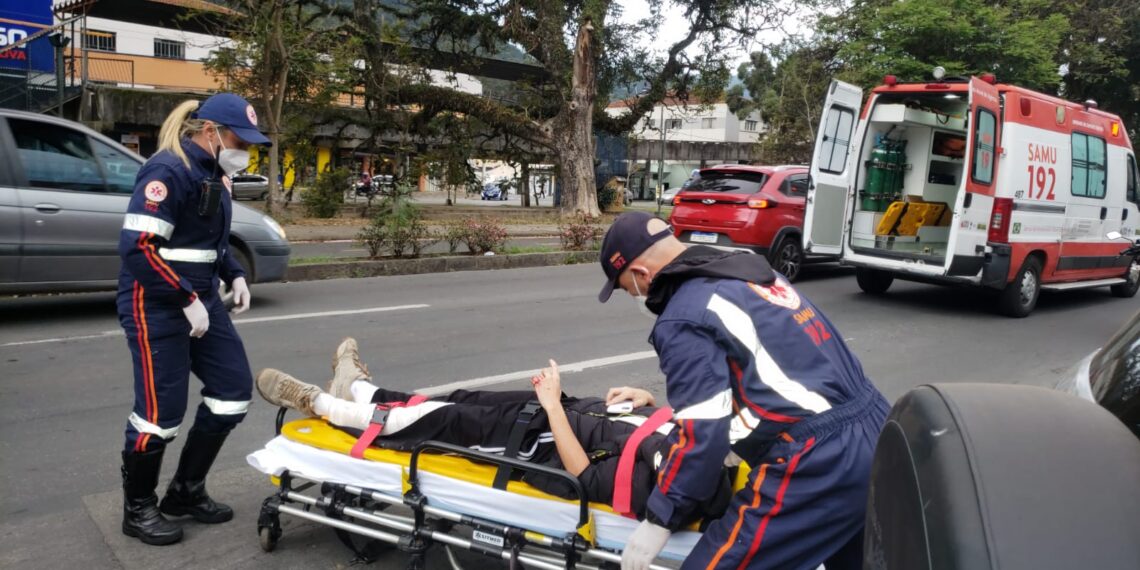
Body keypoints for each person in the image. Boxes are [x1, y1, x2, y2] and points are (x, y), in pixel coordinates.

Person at [595, 212, 890, 570]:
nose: (636, 297)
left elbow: (701, 434)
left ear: (642, 275)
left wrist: (659, 519)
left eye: (629, 289)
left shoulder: (684, 316)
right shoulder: (751, 274)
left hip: (818, 461)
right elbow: (768, 374)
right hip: (876, 430)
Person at [255, 338, 734, 522]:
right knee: (448, 401)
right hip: (552, 411)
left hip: (528, 443)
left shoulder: (653, 487)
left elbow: (584, 479)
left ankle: (313, 400)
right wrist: (645, 399)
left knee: (422, 424)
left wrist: (551, 404)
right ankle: (359, 388)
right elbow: (660, 424)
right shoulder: (691, 445)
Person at [117, 93, 271, 546]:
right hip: (155, 305)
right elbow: (138, 248)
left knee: (231, 393)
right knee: (159, 417)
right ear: (210, 133)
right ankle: (138, 509)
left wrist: (235, 273)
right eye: (238, 139)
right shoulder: (167, 171)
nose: (246, 149)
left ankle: (184, 491)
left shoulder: (215, 174)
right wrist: (185, 297)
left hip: (200, 300)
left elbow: (211, 240)